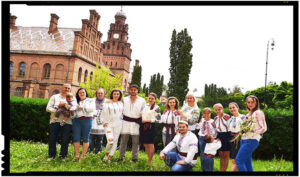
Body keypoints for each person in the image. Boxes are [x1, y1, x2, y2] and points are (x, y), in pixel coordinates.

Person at [235, 95, 267, 171]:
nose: (250, 104)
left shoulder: (258, 112)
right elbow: (245, 128)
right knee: (247, 162)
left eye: (252, 102)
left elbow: (263, 128)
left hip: (251, 140)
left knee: (238, 161)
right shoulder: (247, 114)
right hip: (244, 140)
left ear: (256, 103)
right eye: (248, 102)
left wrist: (253, 132)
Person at [46, 83, 74, 161]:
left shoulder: (73, 98)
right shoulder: (54, 97)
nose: (67, 89)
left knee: (65, 139)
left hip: (67, 122)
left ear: (70, 90)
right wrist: (57, 110)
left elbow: (74, 109)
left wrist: (69, 109)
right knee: (52, 138)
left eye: (68, 88)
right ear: (62, 88)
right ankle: (51, 156)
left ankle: (63, 156)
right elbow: (48, 108)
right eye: (65, 88)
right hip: (55, 121)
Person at [118, 84, 146, 163]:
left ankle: (134, 158)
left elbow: (144, 112)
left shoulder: (142, 100)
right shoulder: (124, 99)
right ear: (129, 90)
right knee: (123, 141)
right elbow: (120, 109)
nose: (133, 91)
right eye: (132, 89)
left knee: (136, 142)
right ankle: (121, 157)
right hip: (125, 122)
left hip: (136, 123)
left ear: (137, 91)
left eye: (135, 90)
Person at [72, 88, 96, 162]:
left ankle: (82, 156)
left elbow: (92, 109)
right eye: (80, 93)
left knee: (86, 138)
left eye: (83, 92)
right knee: (76, 137)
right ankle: (76, 155)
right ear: (78, 94)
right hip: (76, 120)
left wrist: (81, 107)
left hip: (87, 119)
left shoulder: (91, 100)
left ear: (86, 93)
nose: (81, 94)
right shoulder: (75, 101)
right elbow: (72, 110)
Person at [101, 89, 123, 163]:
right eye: (115, 94)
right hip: (108, 124)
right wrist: (103, 121)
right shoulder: (107, 102)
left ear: (119, 95)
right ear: (112, 94)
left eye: (118, 94)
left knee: (115, 141)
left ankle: (110, 158)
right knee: (110, 141)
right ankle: (107, 154)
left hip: (118, 124)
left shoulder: (121, 103)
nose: (116, 95)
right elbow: (101, 112)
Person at [140, 92, 161, 163]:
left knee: (150, 143)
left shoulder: (157, 107)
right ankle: (149, 158)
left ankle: (150, 160)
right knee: (145, 143)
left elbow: (158, 119)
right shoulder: (145, 106)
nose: (150, 99)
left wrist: (146, 120)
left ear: (155, 99)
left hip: (150, 126)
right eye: (149, 98)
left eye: (152, 98)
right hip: (143, 126)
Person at [197, 107, 217, 171]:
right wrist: (201, 122)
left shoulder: (213, 121)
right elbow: (198, 127)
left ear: (210, 114)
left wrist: (213, 137)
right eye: (205, 113)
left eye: (208, 113)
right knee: (202, 153)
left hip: (209, 138)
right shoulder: (202, 120)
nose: (206, 114)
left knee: (210, 153)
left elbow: (215, 130)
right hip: (201, 137)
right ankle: (204, 168)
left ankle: (209, 169)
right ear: (203, 114)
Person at [213, 103, 231, 171]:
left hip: (227, 135)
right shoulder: (215, 118)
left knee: (226, 155)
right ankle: (221, 170)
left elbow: (231, 127)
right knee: (221, 154)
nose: (218, 111)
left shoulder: (227, 117)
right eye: (216, 110)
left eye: (219, 109)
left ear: (222, 109)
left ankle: (224, 170)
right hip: (219, 136)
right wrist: (216, 137)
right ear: (214, 110)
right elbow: (215, 129)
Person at [228, 102, 245, 171]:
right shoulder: (230, 119)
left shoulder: (243, 117)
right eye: (230, 108)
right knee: (236, 160)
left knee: (235, 160)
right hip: (232, 139)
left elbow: (247, 129)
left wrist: (239, 136)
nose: (232, 109)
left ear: (238, 108)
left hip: (240, 139)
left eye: (233, 107)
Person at [88, 88, 106, 154]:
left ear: (104, 94)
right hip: (92, 122)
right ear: (96, 94)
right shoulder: (91, 100)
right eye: (98, 93)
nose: (100, 94)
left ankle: (98, 152)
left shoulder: (107, 101)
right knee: (90, 138)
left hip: (101, 123)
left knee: (100, 139)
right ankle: (90, 151)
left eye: (101, 93)